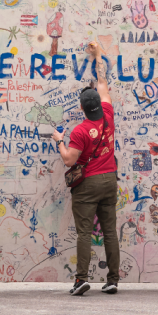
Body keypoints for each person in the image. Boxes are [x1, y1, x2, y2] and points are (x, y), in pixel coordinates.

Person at [50, 41, 121, 296]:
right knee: (110, 231)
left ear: (81, 108)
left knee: (84, 232)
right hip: (109, 180)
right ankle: (113, 279)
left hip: (88, 183)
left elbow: (69, 160)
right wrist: (99, 54)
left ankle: (81, 279)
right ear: (99, 105)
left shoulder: (80, 131)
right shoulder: (109, 114)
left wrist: (59, 141)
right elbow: (103, 85)